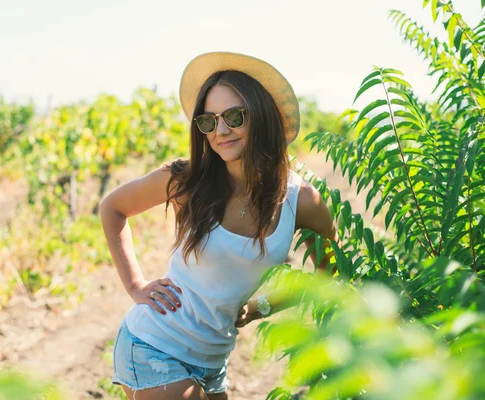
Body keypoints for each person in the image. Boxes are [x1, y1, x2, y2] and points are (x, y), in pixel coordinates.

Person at [100, 51, 337, 400]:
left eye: (234, 116)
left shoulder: (302, 202)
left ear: (263, 116)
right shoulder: (188, 180)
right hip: (153, 345)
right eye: (208, 121)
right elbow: (112, 207)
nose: (221, 130)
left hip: (213, 361)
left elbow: (327, 278)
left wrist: (259, 308)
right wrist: (136, 285)